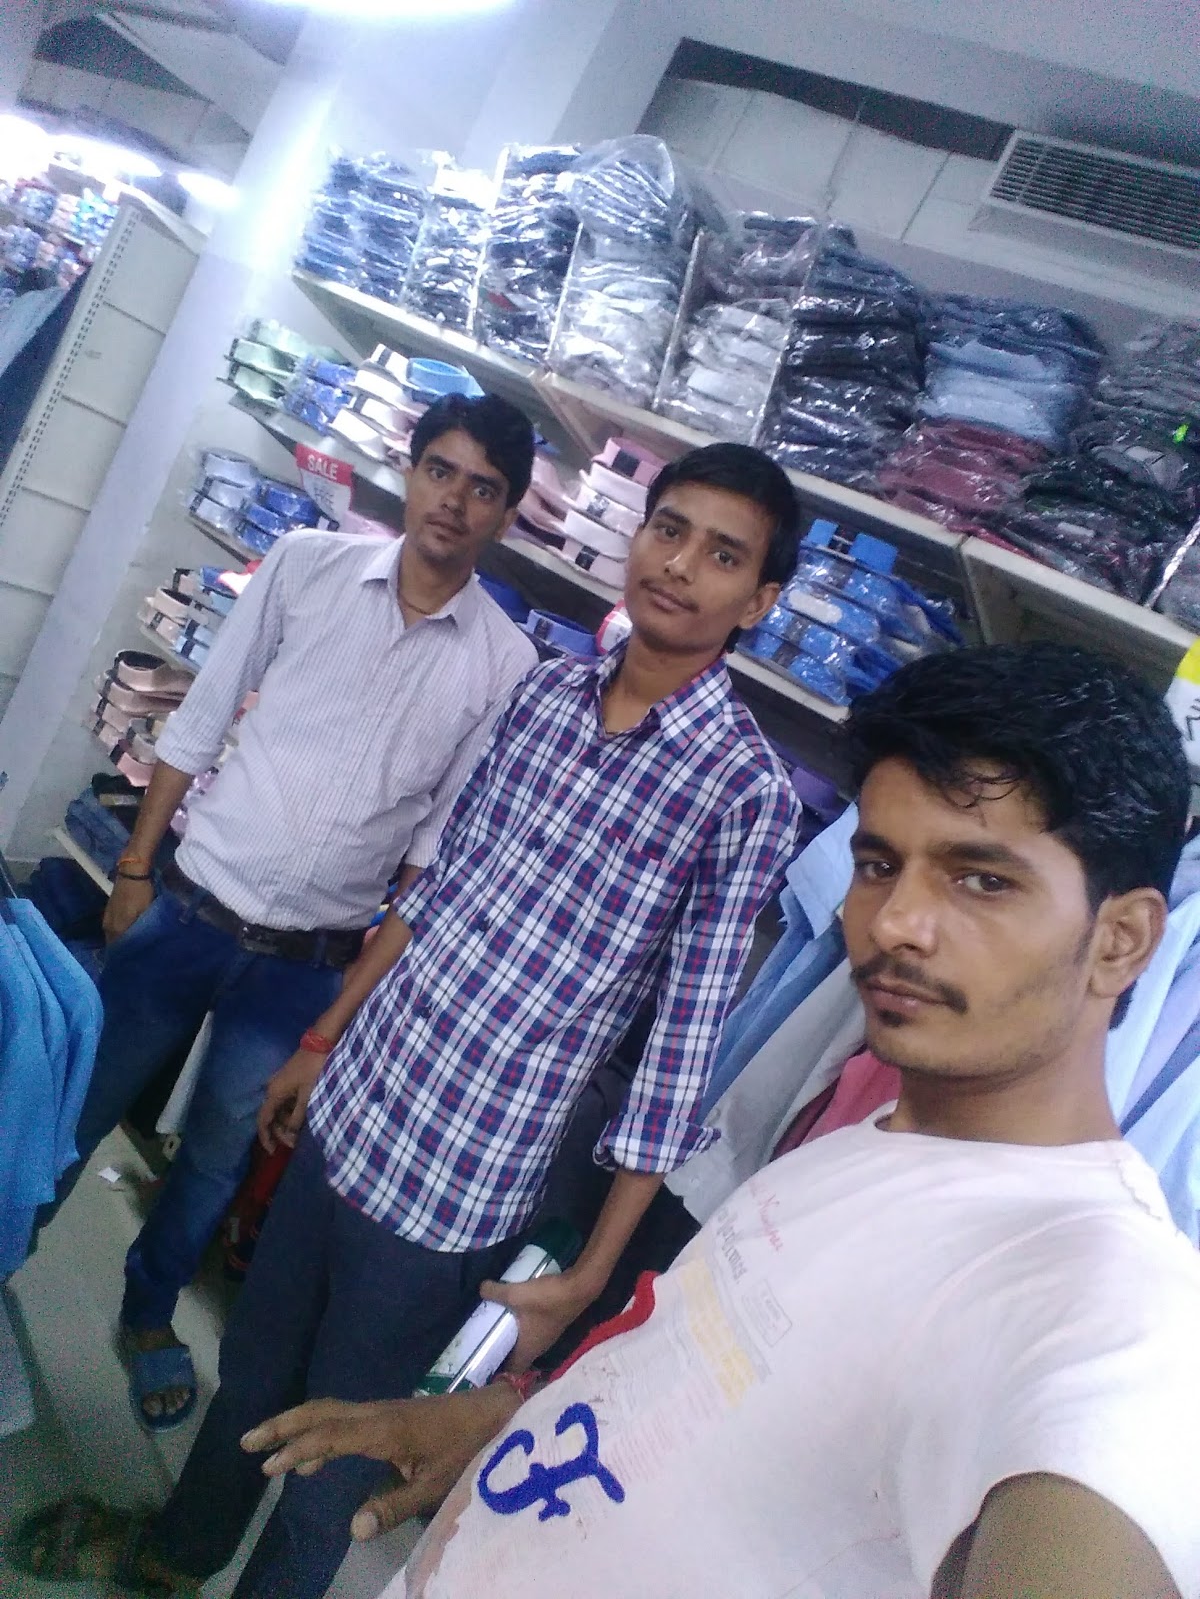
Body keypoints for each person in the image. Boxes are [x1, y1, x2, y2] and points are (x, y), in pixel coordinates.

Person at [240, 644, 1200, 1598]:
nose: (894, 922)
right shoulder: (855, 1150)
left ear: (1121, 941)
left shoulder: (1110, 1303)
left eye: (981, 880)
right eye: (878, 863)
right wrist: (513, 1415)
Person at [10, 442, 803, 1598]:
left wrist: (587, 1276)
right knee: (255, 1371)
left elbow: (679, 1056)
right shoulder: (545, 693)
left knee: (344, 1455)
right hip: (360, 1099)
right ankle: (176, 1556)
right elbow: (438, 888)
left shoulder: (744, 789)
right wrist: (324, 1037)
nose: (678, 565)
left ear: (761, 601)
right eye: (668, 529)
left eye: (722, 555)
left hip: (461, 1177)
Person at [39, 392, 539, 1431]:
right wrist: (133, 868)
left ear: (506, 511)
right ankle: (9, 1246)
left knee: (216, 1157)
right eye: (440, 471)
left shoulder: (505, 665)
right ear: (410, 471)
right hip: (189, 909)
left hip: (304, 963)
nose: (454, 500)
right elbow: (201, 715)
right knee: (76, 1106)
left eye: (483, 487)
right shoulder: (309, 565)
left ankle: (146, 1313)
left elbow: (435, 854)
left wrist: (334, 1021)